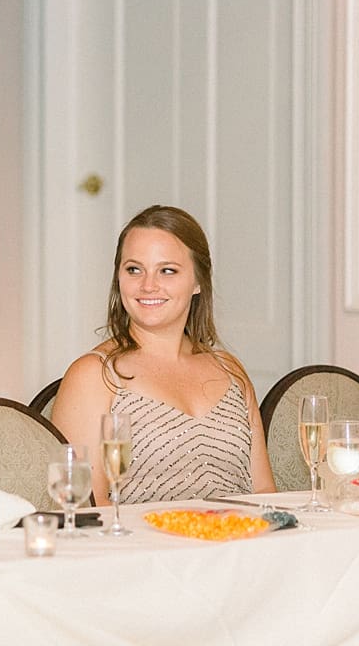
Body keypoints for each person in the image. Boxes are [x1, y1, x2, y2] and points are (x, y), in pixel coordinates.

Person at [51, 205, 276, 505]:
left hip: (238, 535)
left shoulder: (229, 370)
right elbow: (83, 510)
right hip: (135, 538)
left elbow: (264, 495)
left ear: (198, 281)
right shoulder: (94, 375)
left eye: (167, 270)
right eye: (134, 269)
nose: (148, 285)